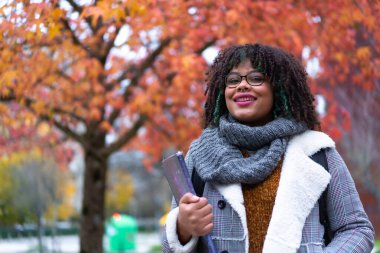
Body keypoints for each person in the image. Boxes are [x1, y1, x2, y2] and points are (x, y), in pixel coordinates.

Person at [161, 44, 375, 253]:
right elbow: (167, 245)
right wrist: (183, 227)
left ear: (279, 88)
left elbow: (356, 230)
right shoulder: (200, 155)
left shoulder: (316, 152)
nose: (241, 86)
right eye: (233, 80)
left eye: (256, 78)